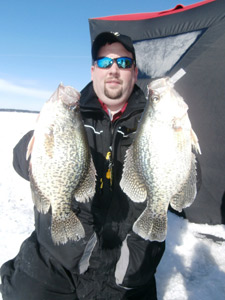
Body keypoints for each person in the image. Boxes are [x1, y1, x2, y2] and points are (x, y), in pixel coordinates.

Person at [0, 32, 165, 300]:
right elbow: (22, 163)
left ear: (134, 72)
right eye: (104, 62)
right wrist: (35, 145)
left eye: (123, 63)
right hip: (55, 260)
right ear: (92, 70)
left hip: (125, 268)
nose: (113, 69)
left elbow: (183, 182)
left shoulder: (154, 122)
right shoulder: (75, 113)